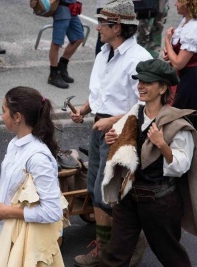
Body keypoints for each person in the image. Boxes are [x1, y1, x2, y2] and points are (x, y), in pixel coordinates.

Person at [70, 0, 152, 266]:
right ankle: (106, 249)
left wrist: (112, 121)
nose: (99, 29)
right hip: (100, 128)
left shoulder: (139, 58)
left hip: (123, 132)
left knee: (112, 193)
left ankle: (128, 246)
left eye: (103, 25)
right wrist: (84, 109)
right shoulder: (104, 52)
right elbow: (101, 93)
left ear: (117, 27)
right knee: (96, 190)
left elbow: (147, 105)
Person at [100, 58, 197, 267]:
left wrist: (162, 145)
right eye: (139, 81)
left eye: (147, 82)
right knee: (115, 254)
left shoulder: (176, 123)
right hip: (128, 196)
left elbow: (182, 165)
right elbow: (121, 140)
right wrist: (112, 139)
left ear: (163, 87)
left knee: (171, 256)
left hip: (159, 202)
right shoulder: (135, 112)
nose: (141, 86)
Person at [0, 86, 64, 266]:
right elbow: (9, 187)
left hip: (27, 245)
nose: (2, 116)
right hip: (10, 235)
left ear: (18, 117)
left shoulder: (38, 158)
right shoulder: (15, 144)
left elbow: (53, 211)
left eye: (4, 111)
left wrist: (8, 212)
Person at [163, 0, 197, 131]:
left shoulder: (194, 27)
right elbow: (177, 56)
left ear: (189, 4)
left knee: (184, 119)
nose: (175, 4)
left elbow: (178, 63)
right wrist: (169, 52)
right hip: (183, 77)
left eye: (179, 1)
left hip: (190, 81)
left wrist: (167, 41)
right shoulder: (186, 22)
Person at [48, 0, 84, 89]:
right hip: (61, 8)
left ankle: (62, 66)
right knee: (56, 43)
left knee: (79, 37)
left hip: (72, 7)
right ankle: (53, 74)